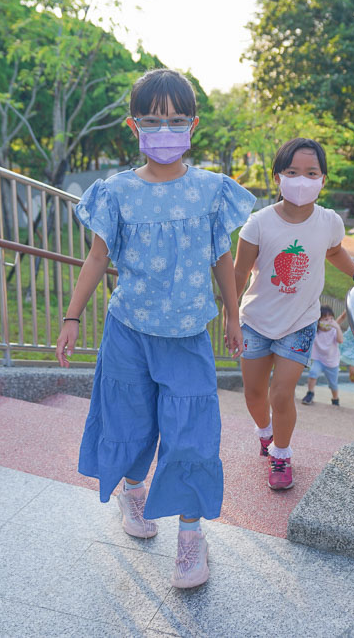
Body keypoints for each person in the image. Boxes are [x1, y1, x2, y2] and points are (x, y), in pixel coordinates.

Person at [55, 69, 254, 589]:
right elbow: (97, 258)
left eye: (176, 120)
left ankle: (191, 539)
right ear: (133, 125)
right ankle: (133, 491)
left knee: (192, 435)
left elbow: (222, 257)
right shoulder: (116, 191)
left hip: (187, 334)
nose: (165, 129)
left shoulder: (212, 190)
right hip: (128, 332)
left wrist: (233, 315)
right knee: (130, 421)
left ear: (193, 125)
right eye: (153, 120)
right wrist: (72, 318)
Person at [233, 138, 354, 491]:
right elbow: (238, 274)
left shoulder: (328, 221)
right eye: (293, 172)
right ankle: (265, 433)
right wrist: (229, 319)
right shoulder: (258, 223)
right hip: (256, 321)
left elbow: (335, 252)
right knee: (254, 393)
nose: (302, 180)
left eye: (311, 173)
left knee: (281, 393)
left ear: (322, 179)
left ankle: (281, 455)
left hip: (300, 323)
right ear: (278, 177)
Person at [301, 305, 343, 407]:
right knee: (313, 372)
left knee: (333, 383)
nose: (329, 321)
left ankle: (335, 398)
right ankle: (310, 393)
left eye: (331, 319)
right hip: (317, 359)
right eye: (325, 319)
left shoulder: (334, 331)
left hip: (331, 361)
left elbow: (340, 340)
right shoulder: (315, 331)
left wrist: (337, 327)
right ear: (318, 321)